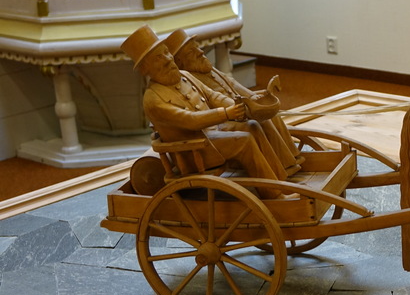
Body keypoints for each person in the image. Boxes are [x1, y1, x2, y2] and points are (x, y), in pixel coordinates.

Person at [121, 25, 291, 198]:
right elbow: (191, 120)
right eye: (158, 58)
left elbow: (213, 96)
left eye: (166, 52)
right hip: (195, 150)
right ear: (145, 69)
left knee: (252, 125)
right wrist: (227, 113)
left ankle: (280, 181)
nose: (167, 59)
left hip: (211, 135)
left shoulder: (185, 75)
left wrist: (242, 106)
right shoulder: (153, 99)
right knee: (244, 141)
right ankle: (274, 195)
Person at [164, 28, 302, 174]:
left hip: (239, 109)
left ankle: (290, 157)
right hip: (225, 119)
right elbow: (211, 104)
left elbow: (232, 84)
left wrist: (252, 97)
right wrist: (243, 109)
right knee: (258, 122)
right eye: (191, 52)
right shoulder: (191, 80)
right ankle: (279, 167)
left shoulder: (207, 68)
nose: (200, 52)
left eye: (197, 47)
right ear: (180, 62)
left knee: (271, 115)